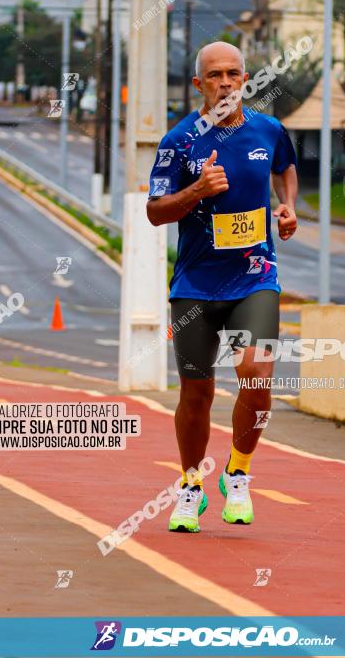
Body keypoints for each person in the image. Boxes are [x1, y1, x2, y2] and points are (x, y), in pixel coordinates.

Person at [146, 41, 298, 533]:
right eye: (215, 75)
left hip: (257, 277)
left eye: (234, 73)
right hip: (195, 284)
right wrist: (197, 191)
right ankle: (191, 485)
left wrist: (288, 205)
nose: (226, 82)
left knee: (256, 374)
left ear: (245, 78)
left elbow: (285, 167)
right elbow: (155, 212)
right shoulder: (178, 141)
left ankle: (238, 473)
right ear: (199, 85)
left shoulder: (268, 129)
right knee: (197, 393)